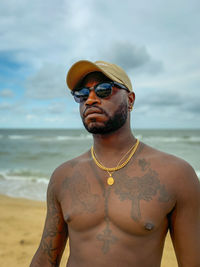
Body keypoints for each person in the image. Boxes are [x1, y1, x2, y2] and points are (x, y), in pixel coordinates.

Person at [30, 60, 200, 267]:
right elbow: (45, 259)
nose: (90, 100)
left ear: (130, 100)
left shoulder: (177, 175)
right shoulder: (63, 176)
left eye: (103, 90)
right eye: (82, 94)